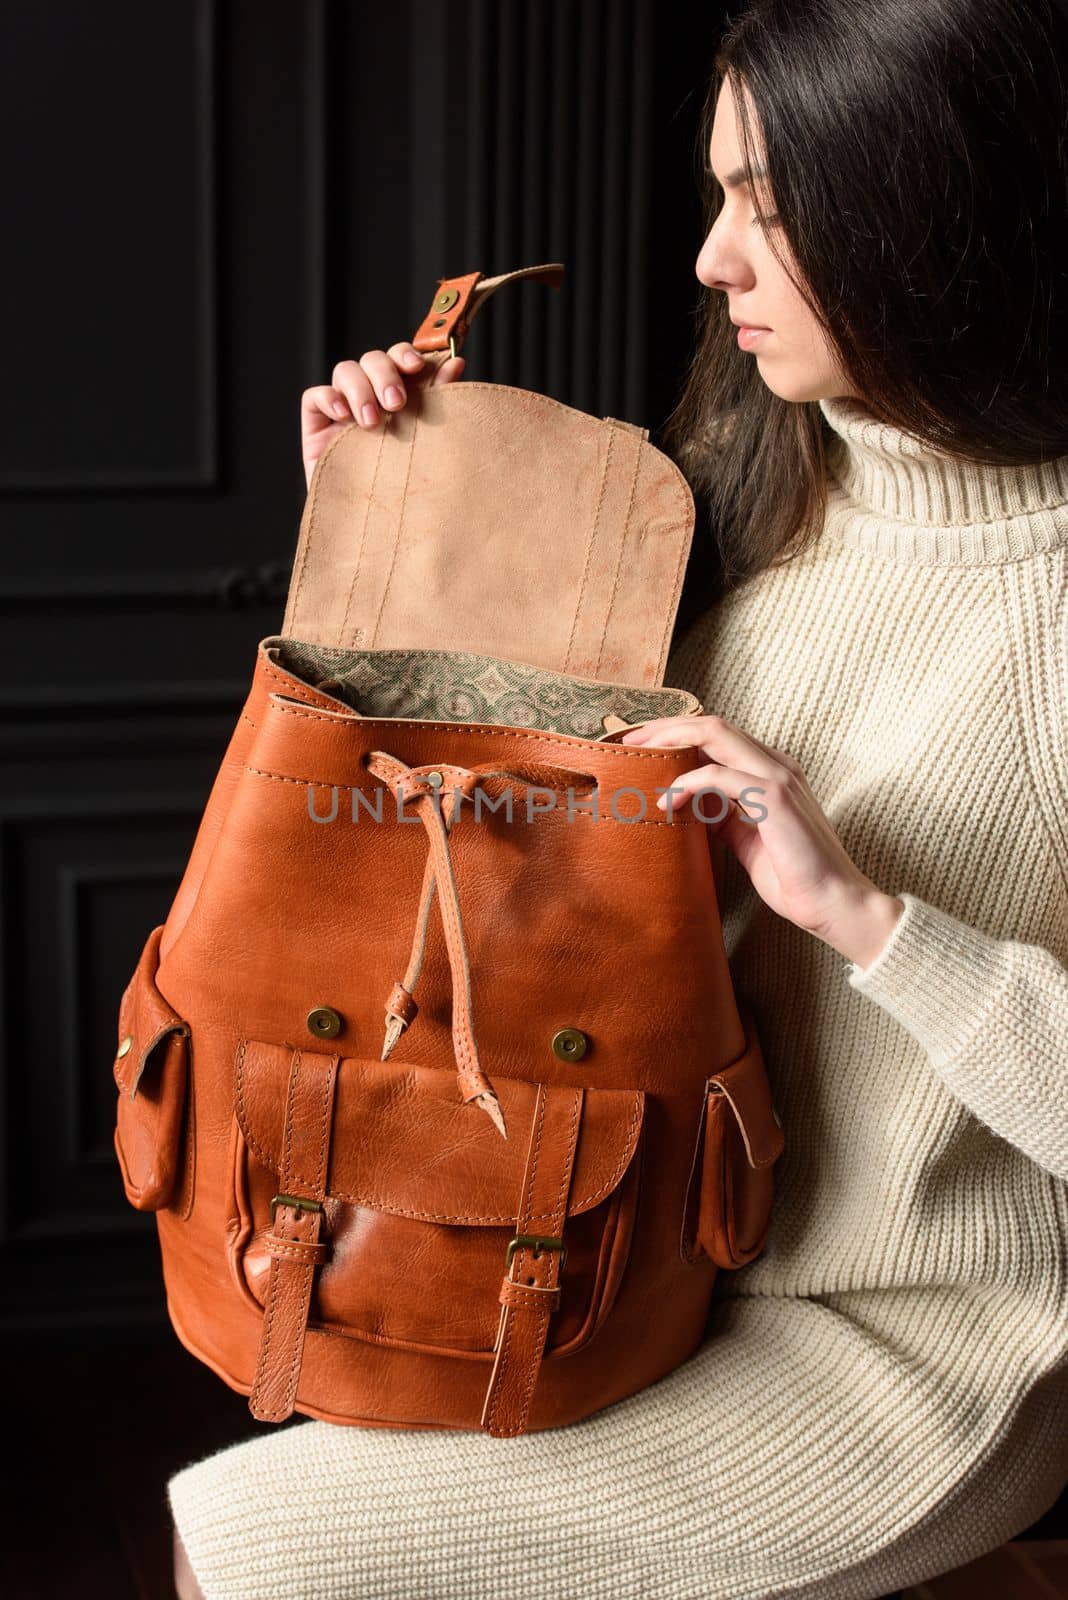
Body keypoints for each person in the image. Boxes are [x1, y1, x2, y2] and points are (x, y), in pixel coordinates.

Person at [167, 1, 1068, 1594]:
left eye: (775, 213)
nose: (715, 261)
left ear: (944, 222)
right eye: (721, 194)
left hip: (905, 1350)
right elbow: (521, 847)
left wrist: (867, 917)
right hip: (624, 1252)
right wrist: (395, 529)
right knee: (235, 1485)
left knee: (255, 1549)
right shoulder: (743, 489)